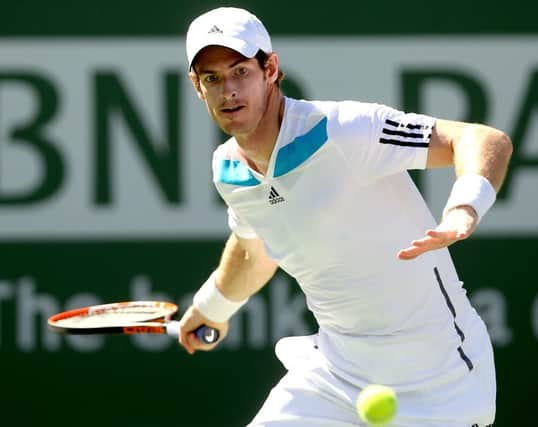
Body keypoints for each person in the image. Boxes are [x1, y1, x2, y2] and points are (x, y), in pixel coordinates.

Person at [178, 6, 512, 427]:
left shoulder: (344, 130)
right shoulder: (228, 171)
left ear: (270, 69)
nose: (228, 90)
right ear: (197, 86)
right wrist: (212, 308)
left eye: (240, 71)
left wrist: (465, 207)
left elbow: (481, 138)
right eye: (212, 78)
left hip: (443, 383)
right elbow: (254, 251)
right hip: (335, 379)